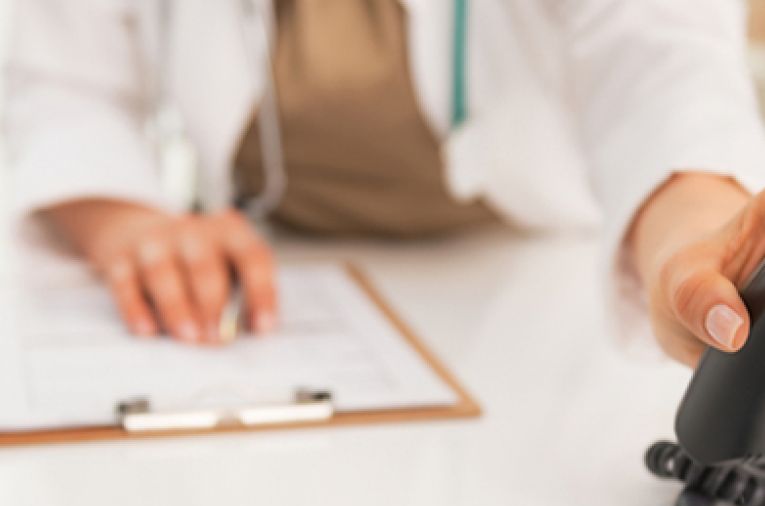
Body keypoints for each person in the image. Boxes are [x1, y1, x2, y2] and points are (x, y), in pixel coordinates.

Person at [5, 0, 765, 368]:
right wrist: (125, 223)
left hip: (532, 288)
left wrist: (692, 249)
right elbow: (59, 80)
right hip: (273, 285)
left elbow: (664, 74)